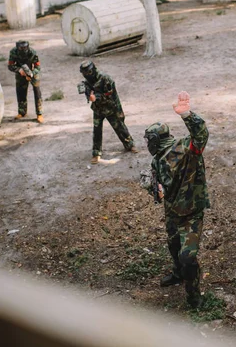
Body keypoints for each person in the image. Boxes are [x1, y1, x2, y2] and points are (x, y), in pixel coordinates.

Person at [142, 91, 209, 309]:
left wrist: (187, 115)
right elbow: (156, 183)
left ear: (157, 140)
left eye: (149, 141)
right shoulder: (157, 160)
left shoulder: (184, 148)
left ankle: (194, 296)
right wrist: (155, 189)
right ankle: (178, 274)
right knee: (173, 246)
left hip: (191, 213)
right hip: (172, 212)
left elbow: (201, 135)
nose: (147, 145)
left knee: (188, 257)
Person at [78, 60, 137, 163]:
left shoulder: (105, 79)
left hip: (110, 107)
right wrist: (89, 96)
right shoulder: (87, 83)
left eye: (88, 72)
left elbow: (110, 96)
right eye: (84, 74)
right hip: (98, 109)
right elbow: (87, 93)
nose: (87, 75)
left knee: (119, 126)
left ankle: (130, 144)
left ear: (93, 70)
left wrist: (96, 97)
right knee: (97, 130)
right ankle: (96, 153)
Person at [8, 40, 43, 123]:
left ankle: (39, 113)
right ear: (17, 48)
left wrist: (31, 74)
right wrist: (19, 70)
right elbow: (10, 65)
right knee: (20, 92)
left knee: (37, 92)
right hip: (20, 72)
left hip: (32, 72)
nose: (23, 49)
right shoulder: (13, 52)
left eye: (25, 48)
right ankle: (22, 112)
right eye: (21, 48)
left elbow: (38, 67)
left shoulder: (33, 52)